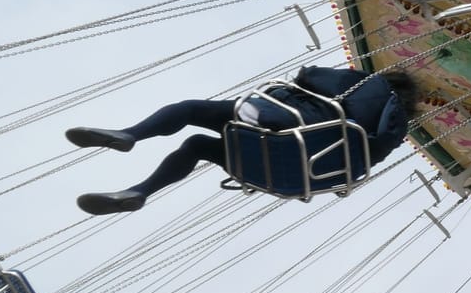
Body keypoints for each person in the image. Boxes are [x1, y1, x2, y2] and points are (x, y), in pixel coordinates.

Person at [65, 66, 419, 215]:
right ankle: (137, 193)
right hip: (287, 175)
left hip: (284, 131)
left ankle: (131, 138)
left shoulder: (367, 86)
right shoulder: (393, 132)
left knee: (191, 111)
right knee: (198, 147)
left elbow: (310, 77)